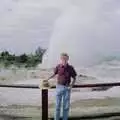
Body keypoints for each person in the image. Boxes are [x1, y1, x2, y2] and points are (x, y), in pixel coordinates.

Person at [46, 53, 77, 120]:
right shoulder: (58, 66)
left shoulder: (70, 68)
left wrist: (71, 86)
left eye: (65, 58)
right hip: (59, 87)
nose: (64, 60)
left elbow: (74, 78)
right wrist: (46, 79)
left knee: (66, 107)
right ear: (61, 59)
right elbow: (54, 74)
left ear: (68, 59)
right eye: (63, 58)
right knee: (57, 106)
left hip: (67, 88)